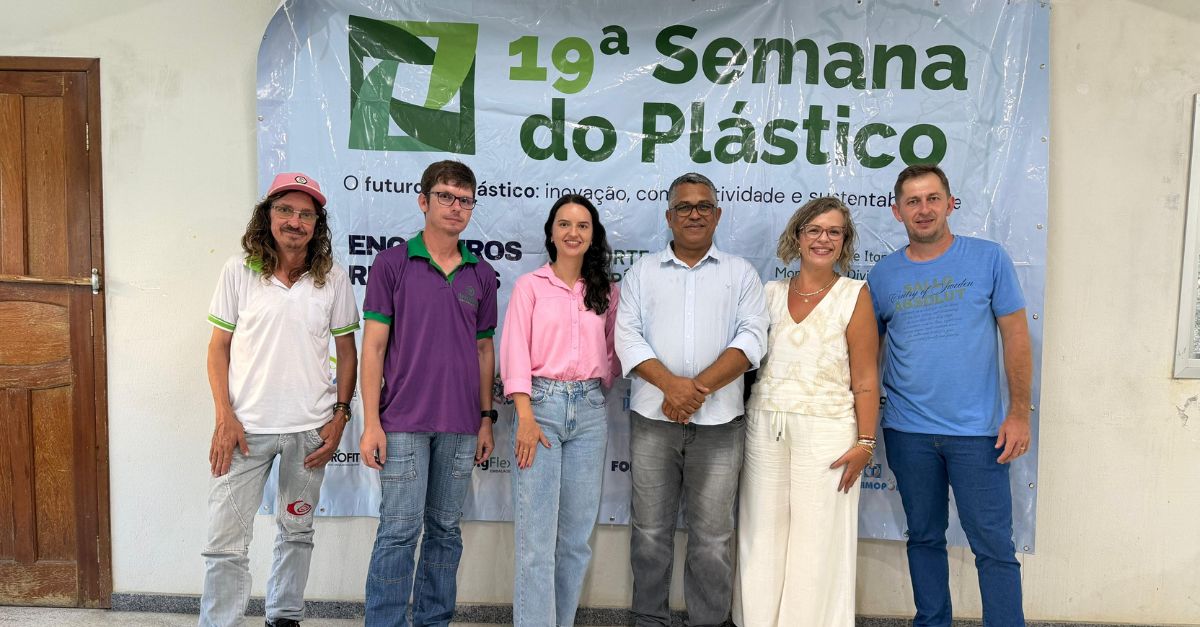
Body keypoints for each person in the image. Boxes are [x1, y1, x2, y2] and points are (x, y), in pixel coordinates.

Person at [867, 163, 1032, 627]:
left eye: (932, 198)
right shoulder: (883, 275)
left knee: (993, 546)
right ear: (897, 212)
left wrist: (1019, 413)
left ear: (950, 204)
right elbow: (868, 356)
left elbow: (1017, 338)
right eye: (913, 201)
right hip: (908, 433)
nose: (924, 209)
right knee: (923, 537)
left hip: (978, 434)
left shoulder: (988, 259)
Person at [201, 172, 359, 627]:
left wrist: (340, 417)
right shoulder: (238, 270)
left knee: (297, 532)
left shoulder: (332, 279)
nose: (295, 221)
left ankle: (284, 617)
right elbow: (218, 348)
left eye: (306, 214)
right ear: (267, 215)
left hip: (309, 433)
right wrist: (224, 416)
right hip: (245, 430)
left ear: (317, 224)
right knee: (225, 543)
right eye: (285, 210)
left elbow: (348, 352)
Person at [615, 172, 768, 627]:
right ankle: (649, 620)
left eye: (703, 206)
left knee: (714, 538)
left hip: (720, 426)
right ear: (669, 217)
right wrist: (672, 387)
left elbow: (752, 339)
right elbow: (627, 337)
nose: (694, 214)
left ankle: (709, 622)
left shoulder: (741, 274)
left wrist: (692, 390)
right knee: (649, 532)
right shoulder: (642, 273)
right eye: (684, 206)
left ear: (717, 215)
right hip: (653, 423)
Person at [359, 160, 497, 627]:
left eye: (465, 200)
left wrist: (485, 419)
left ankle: (434, 621)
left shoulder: (481, 273)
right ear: (423, 201)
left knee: (445, 532)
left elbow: (484, 350)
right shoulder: (392, 264)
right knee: (398, 532)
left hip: (462, 426)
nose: (456, 207)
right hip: (402, 423)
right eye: (445, 196)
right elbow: (373, 348)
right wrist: (371, 423)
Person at [733, 197, 880, 626]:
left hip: (828, 429)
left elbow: (866, 378)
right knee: (761, 533)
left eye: (834, 232)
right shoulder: (769, 293)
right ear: (797, 236)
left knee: (817, 539)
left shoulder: (855, 295)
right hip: (765, 425)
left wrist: (866, 442)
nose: (823, 239)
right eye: (814, 230)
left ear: (845, 242)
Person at [499, 194, 621, 627]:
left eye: (583, 225)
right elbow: (514, 350)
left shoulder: (605, 292)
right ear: (551, 233)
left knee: (574, 541)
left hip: (589, 411)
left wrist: (596, 383)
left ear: (593, 235)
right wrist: (525, 416)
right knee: (536, 541)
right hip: (540, 409)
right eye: (564, 224)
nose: (573, 232)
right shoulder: (530, 286)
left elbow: (613, 350)